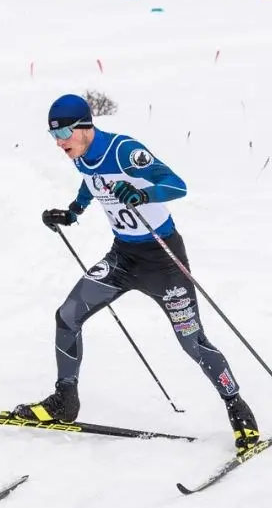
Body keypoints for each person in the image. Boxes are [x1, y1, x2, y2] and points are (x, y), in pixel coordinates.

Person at [13, 94, 259, 454]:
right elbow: (91, 180)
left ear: (84, 126)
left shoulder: (124, 151)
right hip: (123, 258)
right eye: (54, 135)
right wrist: (73, 212)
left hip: (162, 259)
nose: (59, 141)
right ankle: (65, 400)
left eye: (64, 132)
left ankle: (238, 409)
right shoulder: (81, 155)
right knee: (67, 316)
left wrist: (143, 195)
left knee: (192, 341)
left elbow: (177, 185)